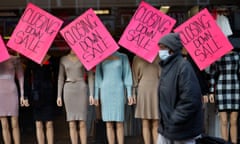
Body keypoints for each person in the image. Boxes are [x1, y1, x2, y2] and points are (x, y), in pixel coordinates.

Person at [157, 33, 203, 144]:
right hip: (168, 128)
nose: (160, 51)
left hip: (182, 130)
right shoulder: (166, 67)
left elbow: (191, 100)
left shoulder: (184, 67)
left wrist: (174, 120)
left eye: (163, 48)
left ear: (171, 50)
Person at [94, 51, 134, 144]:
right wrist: (96, 95)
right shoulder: (101, 56)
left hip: (119, 91)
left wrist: (129, 94)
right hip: (105, 91)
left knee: (120, 122)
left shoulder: (123, 56)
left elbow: (127, 75)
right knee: (108, 123)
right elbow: (98, 78)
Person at [57, 49, 94, 144]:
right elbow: (60, 77)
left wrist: (91, 94)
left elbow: (90, 75)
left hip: (81, 89)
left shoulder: (85, 57)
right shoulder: (63, 59)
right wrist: (59, 96)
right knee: (71, 122)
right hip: (68, 89)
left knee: (82, 122)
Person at [208, 50, 240, 144]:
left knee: (234, 120)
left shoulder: (238, 56)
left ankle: (234, 142)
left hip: (235, 87)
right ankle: (224, 143)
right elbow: (212, 75)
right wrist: (211, 92)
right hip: (221, 88)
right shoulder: (217, 57)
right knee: (224, 120)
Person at [24, 55, 57, 144]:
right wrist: (25, 96)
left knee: (49, 123)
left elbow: (56, 78)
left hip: (49, 94)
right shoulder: (31, 60)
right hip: (36, 95)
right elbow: (27, 80)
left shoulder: (51, 60)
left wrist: (58, 95)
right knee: (38, 123)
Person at [132, 55, 161, 144]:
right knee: (145, 122)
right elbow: (134, 78)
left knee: (156, 122)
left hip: (156, 89)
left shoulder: (159, 56)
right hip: (143, 90)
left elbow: (162, 75)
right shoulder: (137, 57)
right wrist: (133, 93)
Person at [0, 52, 25, 144]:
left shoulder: (15, 59)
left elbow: (21, 77)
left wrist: (22, 95)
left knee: (15, 123)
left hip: (12, 91)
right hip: (0, 93)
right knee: (4, 124)